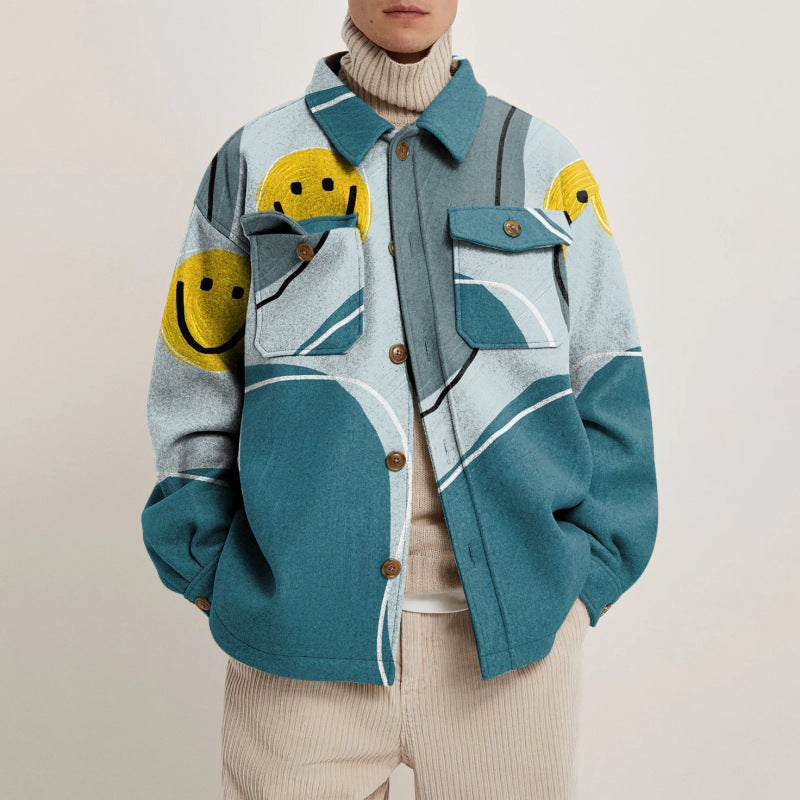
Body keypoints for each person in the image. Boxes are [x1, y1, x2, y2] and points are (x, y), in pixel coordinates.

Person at [141, 1, 659, 797]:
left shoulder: (543, 163)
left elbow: (609, 373)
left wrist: (582, 587)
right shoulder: (251, 162)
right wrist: (216, 572)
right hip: (297, 658)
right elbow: (194, 381)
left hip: (511, 659)